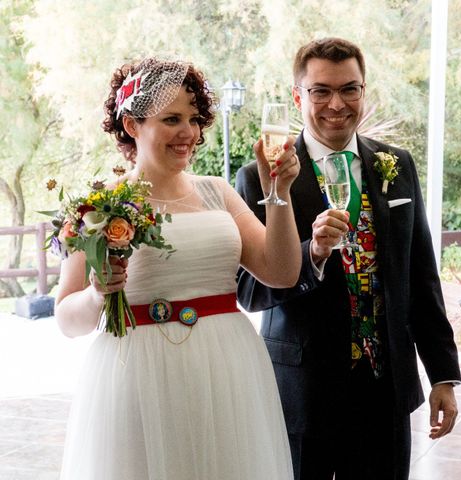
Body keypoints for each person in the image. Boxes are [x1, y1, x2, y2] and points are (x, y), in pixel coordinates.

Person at [55, 58, 301, 479]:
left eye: (193, 118)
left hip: (228, 369)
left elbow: (281, 272)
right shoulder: (98, 205)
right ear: (132, 125)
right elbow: (66, 319)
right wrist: (98, 294)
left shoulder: (217, 192)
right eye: (171, 119)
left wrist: (278, 194)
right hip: (138, 375)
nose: (188, 133)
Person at [235, 38, 461, 480]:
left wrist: (443, 376)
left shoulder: (396, 164)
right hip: (303, 392)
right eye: (321, 91)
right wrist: (312, 254)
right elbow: (249, 293)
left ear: (363, 91)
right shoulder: (258, 176)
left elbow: (421, 273)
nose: (336, 104)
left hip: (385, 388)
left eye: (350, 89)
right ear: (298, 97)